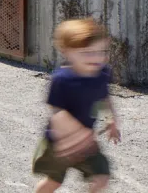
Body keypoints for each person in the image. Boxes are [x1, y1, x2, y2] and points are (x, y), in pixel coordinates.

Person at [32, 18, 120, 193]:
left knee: (102, 177)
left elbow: (104, 97)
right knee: (53, 182)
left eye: (101, 51)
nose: (96, 57)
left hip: (87, 144)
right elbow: (57, 113)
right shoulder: (62, 79)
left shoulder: (102, 73)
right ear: (67, 52)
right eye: (87, 52)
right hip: (59, 144)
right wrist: (78, 134)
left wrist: (111, 121)